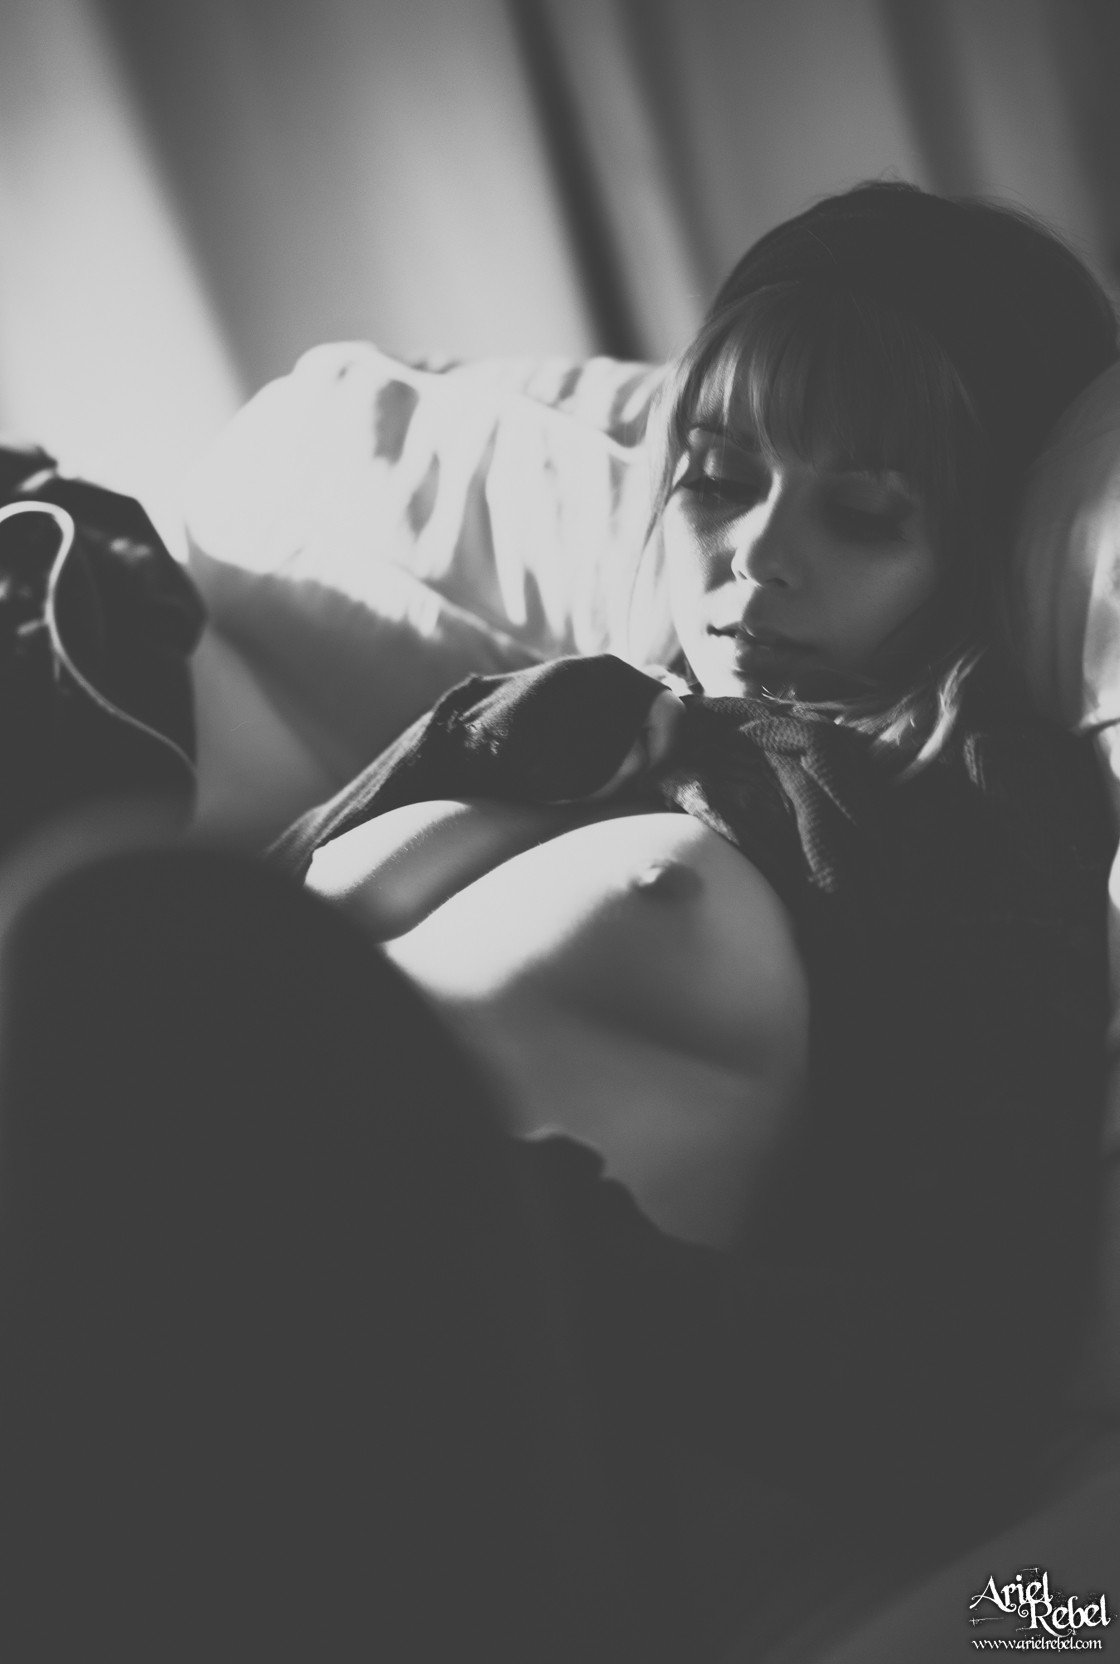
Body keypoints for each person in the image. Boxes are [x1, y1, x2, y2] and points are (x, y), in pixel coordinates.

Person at [0, 180, 1115, 1661]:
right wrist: (475, 737)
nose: (756, 554)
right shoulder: (557, 716)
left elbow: (953, 1406)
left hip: (442, 1428)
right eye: (718, 479)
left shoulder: (957, 844)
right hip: (165, 1290)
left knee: (103, 934)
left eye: (863, 514)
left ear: (978, 556)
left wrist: (537, 1236)